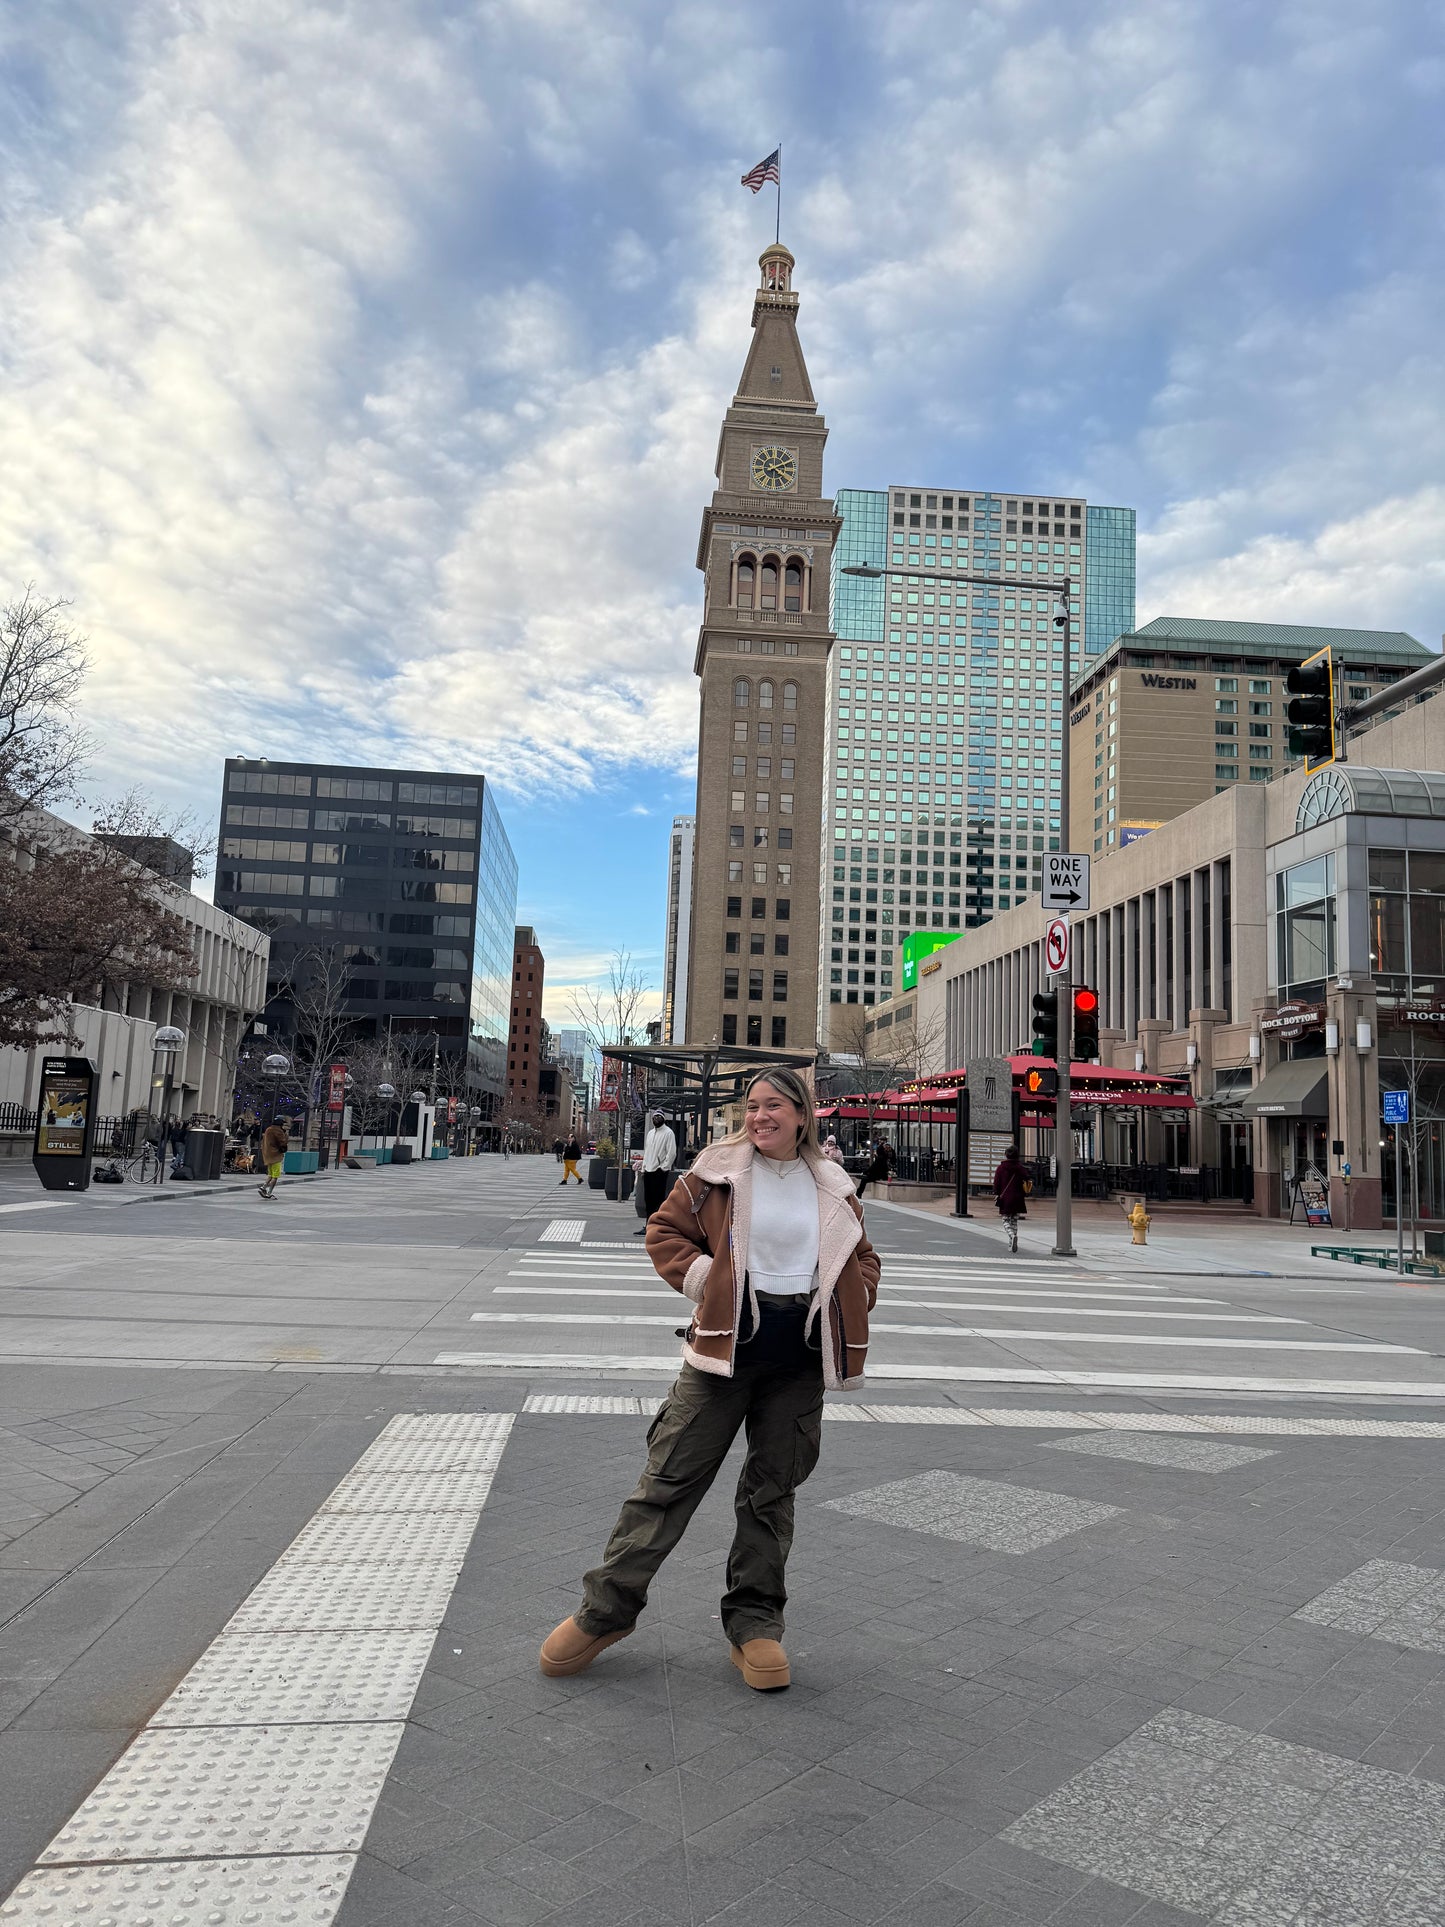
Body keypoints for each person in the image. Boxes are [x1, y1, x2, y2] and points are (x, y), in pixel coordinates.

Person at [539, 1066, 880, 1694]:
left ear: (803, 1115)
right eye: (752, 1106)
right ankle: (605, 1612)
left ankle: (755, 1626)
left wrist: (857, 1293)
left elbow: (863, 1254)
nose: (760, 1117)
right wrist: (706, 1283)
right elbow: (664, 1232)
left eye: (775, 1106)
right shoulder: (717, 1171)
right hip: (724, 1354)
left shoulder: (831, 1182)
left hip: (798, 1361)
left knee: (771, 1494)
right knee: (667, 1481)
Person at [633, 1111, 678, 1234]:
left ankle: (656, 1227)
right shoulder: (650, 1133)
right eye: (654, 1117)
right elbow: (647, 1151)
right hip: (648, 1171)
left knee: (658, 1200)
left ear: (663, 1119)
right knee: (648, 1200)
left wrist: (664, 1167)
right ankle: (648, 1225)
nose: (656, 1119)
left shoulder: (668, 1133)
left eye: (659, 1117)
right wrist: (644, 1167)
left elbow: (672, 1152)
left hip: (659, 1171)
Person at [993, 1142, 1028, 1253]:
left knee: (1005, 1219)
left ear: (1006, 1155)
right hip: (1018, 1197)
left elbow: (996, 1183)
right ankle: (1011, 1243)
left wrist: (997, 1194)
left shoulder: (1001, 1168)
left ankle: (1011, 1236)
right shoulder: (1021, 1168)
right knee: (1014, 1220)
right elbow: (1027, 1179)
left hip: (1005, 1197)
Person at [258, 1118, 289, 1200]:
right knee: (275, 1176)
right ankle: (269, 1193)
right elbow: (283, 1142)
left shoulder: (268, 1129)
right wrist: (285, 1135)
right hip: (275, 1155)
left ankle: (263, 1187)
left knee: (270, 1174)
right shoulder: (278, 1131)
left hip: (268, 1155)